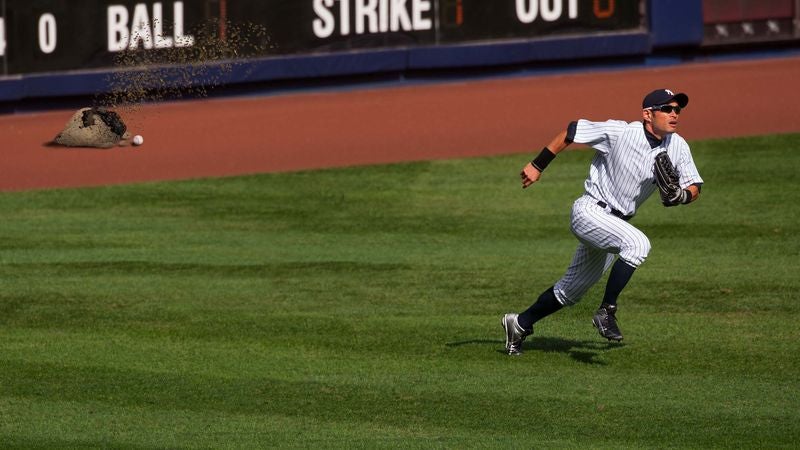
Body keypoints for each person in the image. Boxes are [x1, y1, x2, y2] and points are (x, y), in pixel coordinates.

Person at [501, 88, 704, 356]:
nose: (674, 114)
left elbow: (695, 186)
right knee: (638, 245)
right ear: (647, 114)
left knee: (570, 292)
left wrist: (681, 196)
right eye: (667, 109)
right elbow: (572, 131)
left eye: (678, 109)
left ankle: (519, 324)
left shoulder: (678, 146)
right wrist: (538, 166)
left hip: (614, 226)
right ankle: (607, 311)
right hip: (590, 212)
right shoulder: (620, 133)